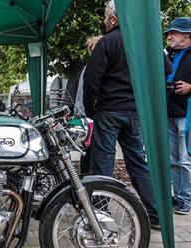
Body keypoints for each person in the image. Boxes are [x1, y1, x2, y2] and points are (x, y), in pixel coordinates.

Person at [83, 0, 160, 229]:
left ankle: (101, 215)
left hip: (108, 111)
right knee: (138, 162)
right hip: (134, 112)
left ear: (114, 19)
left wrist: (91, 110)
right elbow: (163, 70)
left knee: (102, 163)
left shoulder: (107, 42)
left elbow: (91, 80)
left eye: (106, 18)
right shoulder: (144, 43)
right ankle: (156, 215)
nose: (104, 22)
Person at [164, 17, 191, 215]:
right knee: (173, 159)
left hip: (187, 114)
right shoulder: (169, 55)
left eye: (174, 33)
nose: (169, 36)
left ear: (187, 34)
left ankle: (186, 199)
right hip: (169, 111)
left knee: (185, 159)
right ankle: (178, 197)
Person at [73, 35, 102, 174]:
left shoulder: (88, 66)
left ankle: (87, 178)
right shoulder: (92, 67)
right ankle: (89, 178)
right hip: (90, 115)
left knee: (88, 150)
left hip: (86, 114)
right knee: (90, 150)